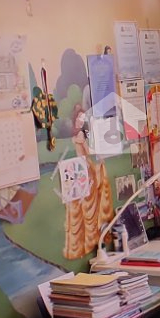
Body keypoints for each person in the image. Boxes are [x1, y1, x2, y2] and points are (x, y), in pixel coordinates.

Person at [62, 104, 115, 259]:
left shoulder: (79, 135)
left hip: (83, 169)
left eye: (82, 119)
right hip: (84, 170)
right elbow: (89, 153)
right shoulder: (80, 135)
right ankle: (92, 239)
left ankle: (90, 239)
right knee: (89, 206)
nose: (81, 121)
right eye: (79, 119)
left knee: (88, 205)